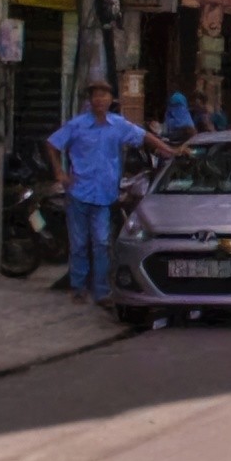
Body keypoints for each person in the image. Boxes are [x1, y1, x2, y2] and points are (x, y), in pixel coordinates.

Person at [46, 79, 147, 305]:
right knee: (80, 243)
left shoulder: (118, 125)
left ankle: (101, 291)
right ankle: (79, 287)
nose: (99, 99)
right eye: (95, 96)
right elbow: (52, 145)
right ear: (90, 101)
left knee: (101, 242)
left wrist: (170, 151)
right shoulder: (78, 125)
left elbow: (143, 136)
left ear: (110, 100)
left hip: (103, 195)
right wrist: (60, 173)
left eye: (104, 95)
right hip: (79, 192)